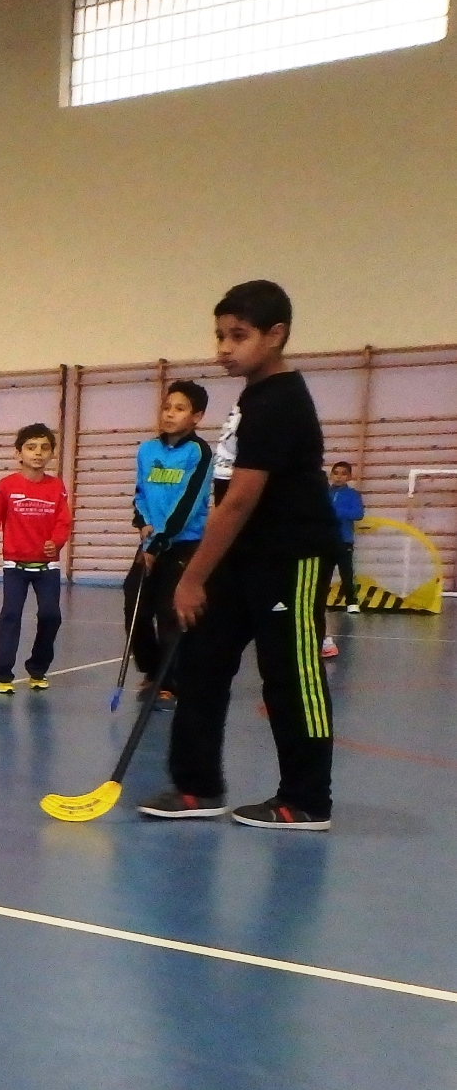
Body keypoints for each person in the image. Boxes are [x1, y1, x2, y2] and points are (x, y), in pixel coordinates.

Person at [141, 281, 340, 830]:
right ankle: (197, 787)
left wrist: (192, 576)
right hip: (244, 558)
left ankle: (306, 799)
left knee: (292, 677)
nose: (224, 347)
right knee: (201, 662)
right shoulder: (252, 395)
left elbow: (240, 500)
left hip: (289, 558)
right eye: (220, 335)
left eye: (239, 336)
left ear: (276, 336)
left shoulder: (281, 401)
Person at [125, 381, 212, 702]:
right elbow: (140, 494)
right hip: (151, 540)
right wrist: (143, 525)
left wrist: (160, 543)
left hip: (182, 544)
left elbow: (189, 503)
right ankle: (151, 671)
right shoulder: (147, 450)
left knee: (169, 610)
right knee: (134, 601)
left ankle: (169, 680)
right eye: (167, 407)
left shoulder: (199, 452)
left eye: (180, 409)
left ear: (196, 417)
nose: (170, 414)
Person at [0, 424, 73, 694]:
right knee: (11, 616)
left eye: (44, 448)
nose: (38, 453)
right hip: (15, 567)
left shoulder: (56, 487)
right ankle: (2, 673)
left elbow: (64, 521)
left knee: (51, 615)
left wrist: (57, 542)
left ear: (52, 453)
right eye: (31, 447)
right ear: (18, 453)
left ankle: (38, 667)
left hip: (47, 567)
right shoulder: (7, 486)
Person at [324, 460, 364, 657]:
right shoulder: (325, 493)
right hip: (325, 541)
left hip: (344, 541)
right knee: (323, 573)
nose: (338, 476)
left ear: (348, 477)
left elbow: (358, 514)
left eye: (343, 474)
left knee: (346, 573)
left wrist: (336, 512)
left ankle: (352, 602)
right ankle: (320, 601)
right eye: (336, 473)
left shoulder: (352, 494)